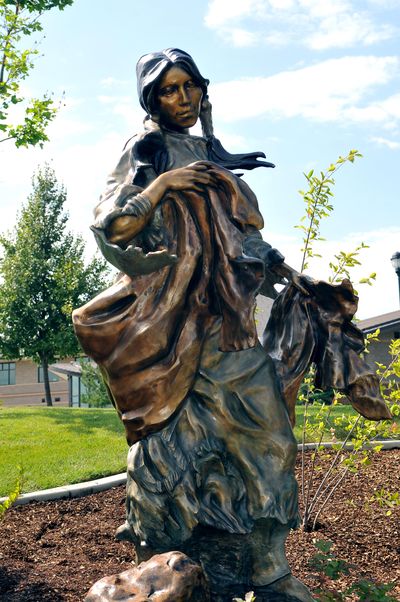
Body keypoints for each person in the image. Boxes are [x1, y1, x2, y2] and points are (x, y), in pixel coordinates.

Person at [72, 48, 319, 601]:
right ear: (150, 98)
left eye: (190, 87)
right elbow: (115, 222)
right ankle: (159, 564)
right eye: (168, 89)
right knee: (163, 451)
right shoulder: (148, 149)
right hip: (171, 329)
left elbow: (241, 237)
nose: (182, 99)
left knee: (272, 438)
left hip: (228, 325)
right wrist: (166, 184)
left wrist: (288, 272)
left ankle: (267, 565)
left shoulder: (211, 155)